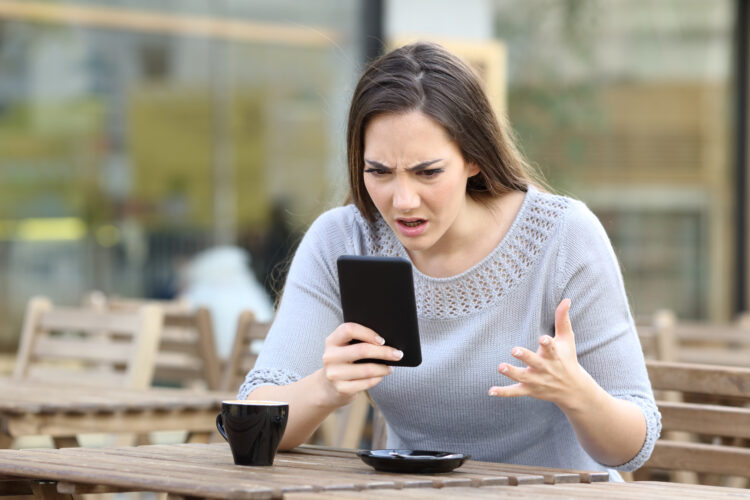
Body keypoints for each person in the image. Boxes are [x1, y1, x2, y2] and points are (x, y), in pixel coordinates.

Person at [238, 42, 660, 479]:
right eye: (379, 171)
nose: (402, 201)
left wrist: (578, 394)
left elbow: (633, 447)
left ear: (473, 158)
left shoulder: (564, 235)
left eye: (428, 172)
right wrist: (325, 387)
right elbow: (254, 420)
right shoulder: (343, 239)